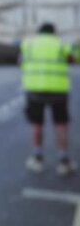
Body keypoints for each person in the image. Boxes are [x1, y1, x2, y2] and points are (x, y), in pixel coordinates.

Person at [21, 23, 77, 176]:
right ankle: (64, 161)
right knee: (61, 125)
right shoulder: (61, 44)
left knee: (37, 125)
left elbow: (22, 63)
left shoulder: (29, 45)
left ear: (39, 33)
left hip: (35, 90)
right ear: (54, 32)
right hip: (58, 90)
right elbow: (74, 59)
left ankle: (38, 158)